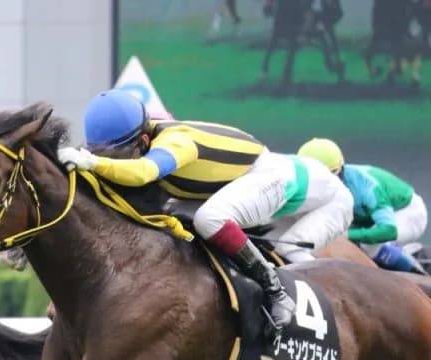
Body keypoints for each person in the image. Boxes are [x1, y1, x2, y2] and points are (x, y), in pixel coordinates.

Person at [58, 89, 351, 335]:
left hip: (288, 183)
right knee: (178, 221)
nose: (112, 164)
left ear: (144, 141)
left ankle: (276, 293)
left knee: (211, 219)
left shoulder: (176, 142)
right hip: (237, 183)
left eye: (118, 157)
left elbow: (143, 172)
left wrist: (93, 164)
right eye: (104, 157)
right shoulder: (134, 137)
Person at [297, 137, 428, 274]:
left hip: (407, 213)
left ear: (340, 170)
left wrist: (348, 235)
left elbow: (388, 230)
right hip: (367, 219)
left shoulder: (366, 188)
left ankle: (421, 279)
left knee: (368, 245)